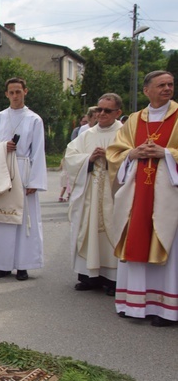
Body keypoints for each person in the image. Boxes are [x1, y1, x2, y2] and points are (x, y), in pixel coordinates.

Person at [107, 70, 178, 327]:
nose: (167, 89)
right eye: (161, 85)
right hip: (138, 195)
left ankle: (166, 309)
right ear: (147, 90)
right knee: (136, 240)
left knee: (168, 245)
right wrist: (134, 153)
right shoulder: (135, 120)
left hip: (169, 197)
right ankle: (133, 304)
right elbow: (116, 152)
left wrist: (166, 153)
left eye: (170, 84)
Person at [0, 77, 47, 281]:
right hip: (1, 170)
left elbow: (38, 151)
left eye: (19, 91)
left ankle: (23, 265)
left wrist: (34, 181)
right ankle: (3, 264)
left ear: (25, 92)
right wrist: (2, 146)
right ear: (6, 94)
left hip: (23, 171)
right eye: (11, 92)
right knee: (2, 219)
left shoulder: (34, 119)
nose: (15, 96)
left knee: (22, 219)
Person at [63, 93, 123, 295]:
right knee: (87, 231)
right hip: (89, 192)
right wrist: (89, 158)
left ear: (118, 112)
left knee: (113, 232)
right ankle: (89, 277)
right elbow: (70, 157)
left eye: (107, 110)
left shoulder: (124, 134)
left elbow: (130, 159)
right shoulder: (86, 134)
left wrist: (110, 158)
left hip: (114, 195)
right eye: (99, 109)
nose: (102, 114)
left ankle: (113, 280)